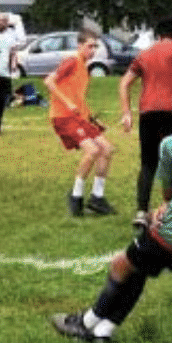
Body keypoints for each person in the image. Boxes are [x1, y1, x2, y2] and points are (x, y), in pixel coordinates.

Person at [51, 83, 172, 343]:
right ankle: (103, 331)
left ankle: (86, 321)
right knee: (138, 267)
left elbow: (169, 192)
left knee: (121, 264)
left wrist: (164, 210)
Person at [119, 14, 172, 228]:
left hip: (147, 113)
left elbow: (124, 83)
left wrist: (126, 112)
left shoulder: (145, 54)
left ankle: (142, 211)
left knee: (148, 163)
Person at [45, 32, 116, 217]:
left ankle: (97, 198)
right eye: (89, 46)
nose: (92, 51)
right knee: (92, 151)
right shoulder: (71, 61)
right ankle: (76, 196)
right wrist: (67, 103)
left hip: (78, 118)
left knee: (107, 149)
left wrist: (92, 118)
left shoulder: (84, 68)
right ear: (80, 45)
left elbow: (79, 97)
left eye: (95, 47)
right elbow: (49, 81)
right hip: (63, 117)